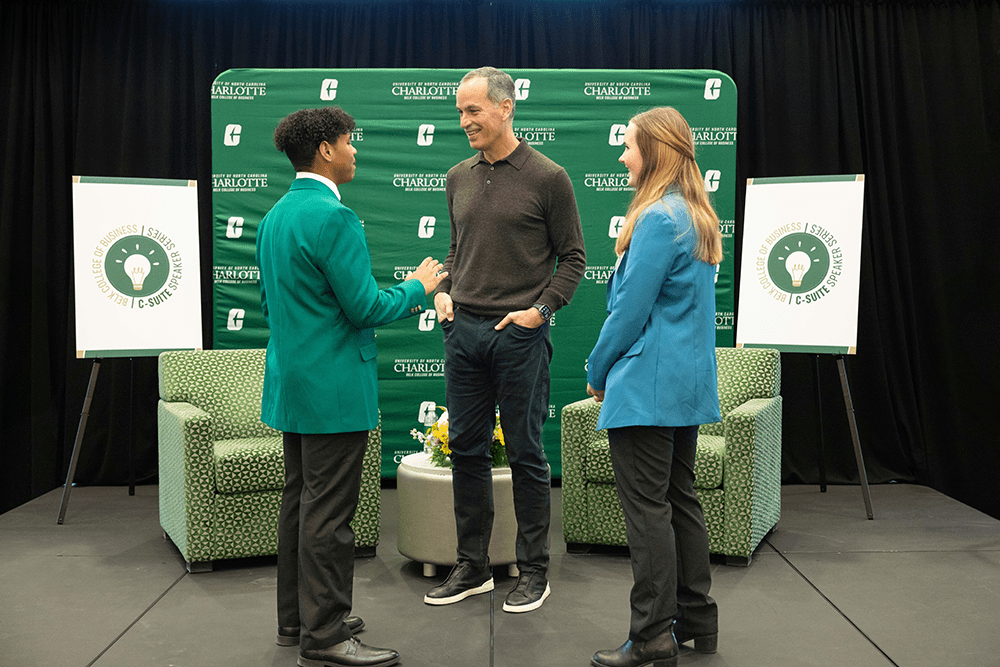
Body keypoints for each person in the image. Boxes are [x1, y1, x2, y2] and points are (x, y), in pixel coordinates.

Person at [256, 106, 446, 667]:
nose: (355, 150)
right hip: (334, 392)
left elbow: (270, 305)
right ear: (325, 150)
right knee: (329, 519)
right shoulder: (334, 218)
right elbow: (365, 308)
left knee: (300, 506)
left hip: (293, 387)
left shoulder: (275, 217)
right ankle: (326, 635)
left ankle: (297, 620)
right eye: (348, 141)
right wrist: (418, 287)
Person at [425, 67, 586, 613]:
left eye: (473, 110)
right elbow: (457, 250)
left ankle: (534, 571)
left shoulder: (549, 177)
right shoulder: (457, 176)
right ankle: (472, 567)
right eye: (460, 112)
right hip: (463, 333)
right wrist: (443, 291)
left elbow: (574, 258)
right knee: (466, 451)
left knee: (526, 453)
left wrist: (540, 311)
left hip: (519, 337)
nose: (464, 121)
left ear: (505, 108)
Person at [585, 107, 723, 667]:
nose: (622, 156)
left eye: (629, 146)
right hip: (685, 386)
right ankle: (696, 620)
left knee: (647, 512)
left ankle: (651, 637)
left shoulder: (659, 219)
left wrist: (597, 371)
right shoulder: (696, 216)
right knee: (678, 500)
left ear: (655, 152)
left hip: (646, 389)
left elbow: (628, 312)